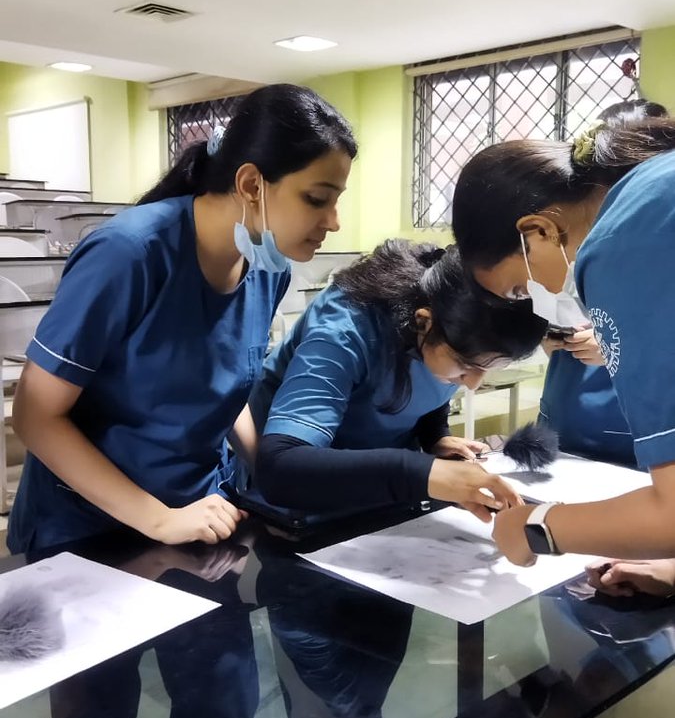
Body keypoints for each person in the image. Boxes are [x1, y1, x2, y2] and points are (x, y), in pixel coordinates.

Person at [8, 84, 356, 556]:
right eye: (318, 198)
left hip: (197, 518)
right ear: (252, 184)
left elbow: (220, 387)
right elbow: (35, 415)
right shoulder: (129, 255)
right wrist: (158, 519)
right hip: (91, 528)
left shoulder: (266, 269)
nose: (333, 221)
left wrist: (271, 471)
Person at [451, 107, 675, 565]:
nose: (537, 304)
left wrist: (537, 527)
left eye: (520, 289)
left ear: (538, 232)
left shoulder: (623, 240)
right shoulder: (658, 193)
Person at [245, 240, 546, 522]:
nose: (472, 384)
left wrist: (434, 437)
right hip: (300, 504)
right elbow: (281, 471)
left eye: (488, 368)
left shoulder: (455, 332)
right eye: (465, 366)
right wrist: (420, 473)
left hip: (379, 498)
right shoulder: (346, 328)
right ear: (423, 322)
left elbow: (428, 394)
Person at [538, 101, 667, 464]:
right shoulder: (576, 227)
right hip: (565, 409)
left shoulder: (658, 237)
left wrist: (613, 345)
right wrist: (548, 334)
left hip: (634, 422)